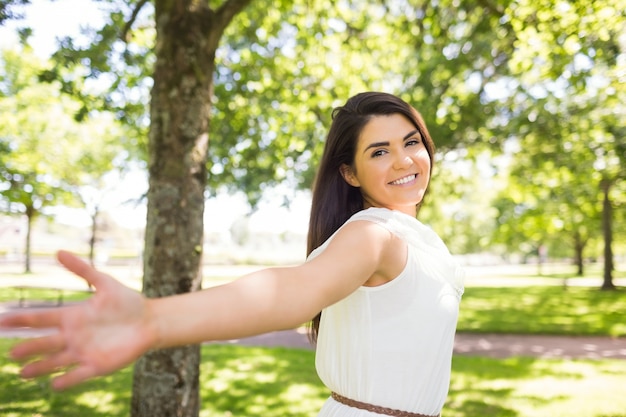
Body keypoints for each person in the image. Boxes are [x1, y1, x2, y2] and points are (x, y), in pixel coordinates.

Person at [0, 91, 464, 417]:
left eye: (412, 142)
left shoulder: (419, 240)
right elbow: (290, 291)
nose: (404, 160)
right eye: (379, 151)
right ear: (350, 173)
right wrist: (154, 319)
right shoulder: (373, 236)